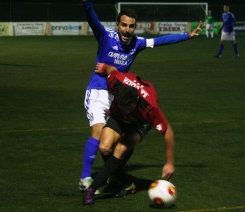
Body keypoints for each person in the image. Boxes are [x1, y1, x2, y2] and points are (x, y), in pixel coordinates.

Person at [79, 0, 202, 193]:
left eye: (131, 26)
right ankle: (86, 177)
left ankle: (115, 176)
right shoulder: (106, 36)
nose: (127, 30)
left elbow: (160, 41)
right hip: (98, 91)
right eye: (124, 25)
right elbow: (93, 21)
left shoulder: (137, 43)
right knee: (99, 132)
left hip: (120, 97)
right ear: (117, 25)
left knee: (118, 144)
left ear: (134, 27)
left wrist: (187, 36)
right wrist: (87, 5)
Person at [83, 63, 175, 205]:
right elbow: (111, 70)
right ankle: (125, 181)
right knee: (105, 147)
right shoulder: (116, 81)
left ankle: (92, 189)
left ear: (136, 101)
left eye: (129, 108)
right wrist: (104, 67)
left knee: (121, 148)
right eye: (123, 107)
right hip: (118, 118)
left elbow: (167, 131)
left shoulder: (149, 107)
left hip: (140, 123)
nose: (127, 110)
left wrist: (169, 163)